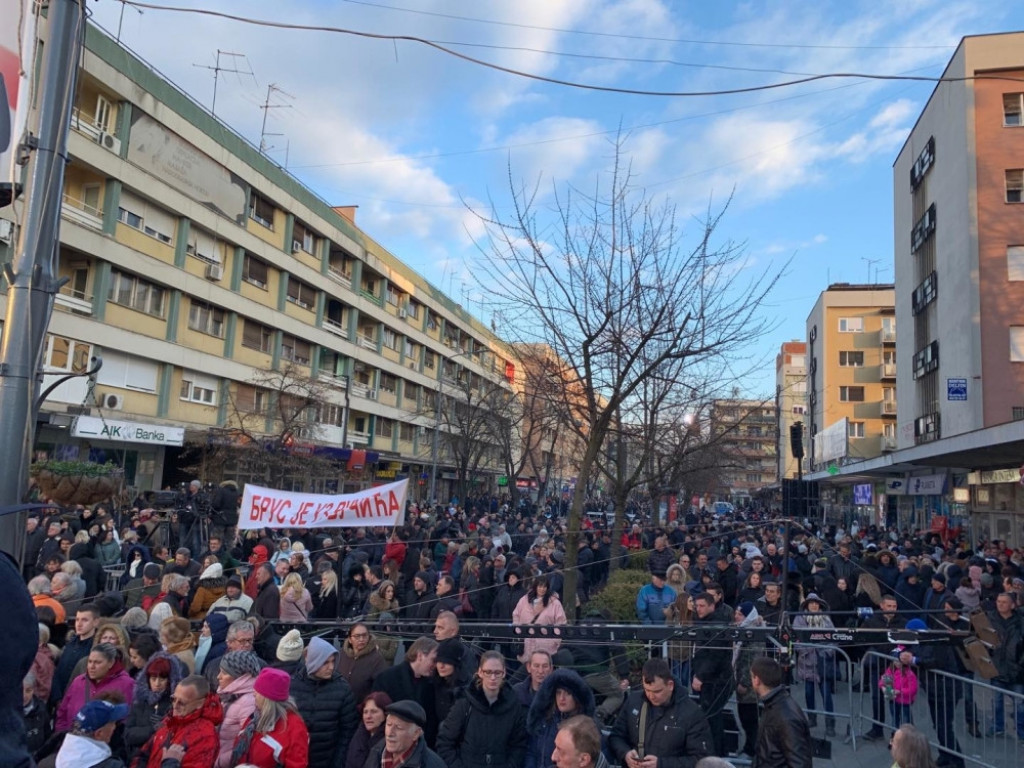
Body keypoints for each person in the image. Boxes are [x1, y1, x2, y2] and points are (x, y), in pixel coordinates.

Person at [609, 657, 712, 768]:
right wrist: (625, 754)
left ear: (670, 685)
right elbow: (616, 736)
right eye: (647, 690)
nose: (651, 696)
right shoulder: (634, 701)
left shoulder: (692, 713)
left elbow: (702, 760)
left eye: (657, 691)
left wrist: (661, 764)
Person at [437, 651, 527, 768]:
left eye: (497, 672)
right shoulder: (464, 703)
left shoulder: (513, 706)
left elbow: (519, 745)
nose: (493, 677)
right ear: (480, 672)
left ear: (504, 673)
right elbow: (445, 742)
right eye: (488, 672)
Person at [290, 636, 358, 768]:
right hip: (297, 759)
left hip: (328, 759)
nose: (331, 667)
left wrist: (338, 763)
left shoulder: (342, 689)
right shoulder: (293, 686)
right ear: (314, 661)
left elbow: (348, 732)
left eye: (333, 661)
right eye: (325, 662)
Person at [133, 674, 223, 768]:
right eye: (173, 699)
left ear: (200, 703)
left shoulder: (205, 736)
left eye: (182, 703)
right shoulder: (169, 721)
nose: (175, 706)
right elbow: (143, 754)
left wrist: (170, 763)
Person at [229, 668, 309, 768]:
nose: (254, 694)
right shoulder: (255, 717)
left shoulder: (294, 728)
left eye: (258, 691)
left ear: (268, 698)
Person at [525, 669, 600, 768]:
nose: (561, 698)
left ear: (576, 696)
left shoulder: (589, 728)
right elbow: (531, 752)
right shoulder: (544, 720)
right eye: (558, 693)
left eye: (567, 693)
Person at [56, 643, 135, 733]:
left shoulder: (126, 684)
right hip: (73, 738)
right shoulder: (79, 681)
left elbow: (127, 719)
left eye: (97, 662)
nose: (92, 666)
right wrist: (62, 734)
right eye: (90, 661)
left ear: (111, 663)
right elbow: (62, 712)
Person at [749, 656, 812, 768]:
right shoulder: (772, 704)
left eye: (751, 677)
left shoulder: (786, 717)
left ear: (757, 680)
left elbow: (799, 763)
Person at [691, 592, 733, 755]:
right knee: (712, 717)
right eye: (697, 606)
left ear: (711, 606)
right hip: (711, 678)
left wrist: (700, 676)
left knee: (712, 718)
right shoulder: (705, 622)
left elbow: (715, 655)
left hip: (715, 680)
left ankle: (717, 753)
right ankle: (718, 751)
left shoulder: (716, 624)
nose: (698, 609)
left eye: (702, 606)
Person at [125, 653, 185, 761]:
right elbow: (128, 735)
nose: (157, 683)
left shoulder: (176, 705)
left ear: (170, 680)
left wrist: (165, 726)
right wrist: (152, 729)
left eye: (162, 679)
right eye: (153, 678)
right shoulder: (140, 702)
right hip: (137, 758)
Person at [791, 593, 836, 736]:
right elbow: (795, 638)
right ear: (807, 605)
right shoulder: (799, 619)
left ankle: (830, 723)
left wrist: (827, 651)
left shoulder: (826, 619)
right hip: (807, 662)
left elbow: (833, 637)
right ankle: (812, 718)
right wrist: (806, 650)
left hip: (823, 662)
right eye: (811, 603)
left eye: (816, 603)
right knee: (808, 692)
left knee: (826, 694)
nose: (814, 605)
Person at [214, 650, 262, 768]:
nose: (218, 676)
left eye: (224, 673)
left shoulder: (249, 702)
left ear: (241, 677)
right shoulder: (230, 695)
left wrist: (220, 762)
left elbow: (247, 744)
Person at [364, 699, 446, 768]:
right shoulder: (376, 753)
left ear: (416, 734)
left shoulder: (432, 764)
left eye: (398, 727)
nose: (390, 733)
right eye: (389, 725)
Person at [54, 700, 130, 768]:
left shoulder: (55, 759)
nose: (114, 727)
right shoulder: (111, 765)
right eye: (113, 723)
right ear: (99, 733)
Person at [513, 575, 568, 664]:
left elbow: (561, 622)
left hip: (546, 645)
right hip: (526, 644)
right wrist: (518, 633)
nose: (542, 589)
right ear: (535, 587)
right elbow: (516, 616)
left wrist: (555, 640)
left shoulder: (555, 603)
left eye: (544, 587)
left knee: (543, 667)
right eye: (540, 586)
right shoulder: (524, 600)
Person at [339, 622, 389, 705]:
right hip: (341, 704)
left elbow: (383, 686)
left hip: (363, 707)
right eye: (357, 636)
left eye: (364, 635)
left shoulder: (376, 659)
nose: (361, 639)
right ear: (350, 639)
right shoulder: (342, 655)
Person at [347, 691, 392, 768]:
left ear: (385, 714)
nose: (368, 716)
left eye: (374, 712)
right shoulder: (358, 736)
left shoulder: (390, 739)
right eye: (365, 712)